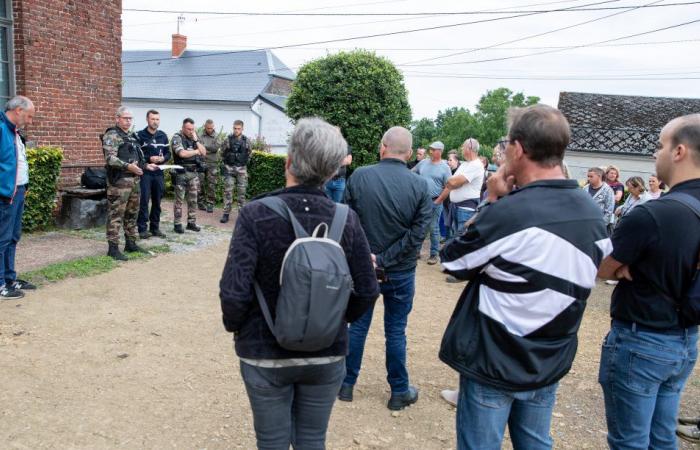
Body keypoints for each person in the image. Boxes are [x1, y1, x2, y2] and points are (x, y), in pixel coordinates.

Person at [440, 104, 609, 450]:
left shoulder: (509, 212)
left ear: (518, 149)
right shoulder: (592, 214)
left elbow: (452, 262)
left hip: (495, 357)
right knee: (535, 442)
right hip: (549, 356)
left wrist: (491, 200)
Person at [219, 117, 379, 450]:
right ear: (333, 171)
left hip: (264, 352)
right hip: (327, 352)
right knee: (312, 440)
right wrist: (331, 320)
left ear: (289, 161)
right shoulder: (345, 218)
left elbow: (234, 291)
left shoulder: (255, 214)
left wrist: (238, 328)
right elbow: (367, 289)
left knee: (272, 442)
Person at [597, 113, 700, 450]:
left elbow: (602, 267)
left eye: (660, 145)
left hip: (643, 340)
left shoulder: (653, 214)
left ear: (680, 151)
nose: (655, 154)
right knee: (662, 438)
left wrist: (623, 267)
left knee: (630, 442)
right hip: (686, 341)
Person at [339, 126, 432, 410]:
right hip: (400, 270)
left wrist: (368, 256)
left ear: (383, 147)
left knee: (357, 326)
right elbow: (419, 232)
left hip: (364, 267)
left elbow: (345, 220)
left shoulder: (360, 176)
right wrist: (386, 258)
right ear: (409, 153)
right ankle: (399, 391)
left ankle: (346, 384)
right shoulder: (420, 186)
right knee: (395, 330)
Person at [102, 107, 158, 260]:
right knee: (116, 215)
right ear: (117, 118)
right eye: (125, 118)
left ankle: (131, 243)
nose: (128, 121)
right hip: (119, 182)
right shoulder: (111, 135)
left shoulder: (132, 137)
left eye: (130, 118)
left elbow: (138, 158)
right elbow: (110, 159)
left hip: (134, 181)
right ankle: (113, 248)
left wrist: (146, 166)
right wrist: (128, 166)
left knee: (132, 213)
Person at [0, 96, 36, 299]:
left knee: (13, 237)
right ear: (18, 110)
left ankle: (9, 278)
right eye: (29, 116)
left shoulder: (15, 132)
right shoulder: (1, 129)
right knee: (2, 239)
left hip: (18, 191)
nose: (30, 121)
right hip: (5, 195)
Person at [435, 138, 484, 238]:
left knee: (463, 241)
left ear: (469, 148)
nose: (461, 150)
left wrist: (453, 182)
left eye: (463, 147)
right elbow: (451, 184)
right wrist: (454, 183)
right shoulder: (465, 164)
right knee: (456, 240)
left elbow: (452, 182)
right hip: (457, 208)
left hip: (466, 210)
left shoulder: (476, 165)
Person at [414, 141, 451, 265]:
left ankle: (434, 254)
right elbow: (411, 173)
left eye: (433, 149)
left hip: (435, 200)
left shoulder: (445, 167)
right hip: (421, 200)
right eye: (430, 149)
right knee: (420, 225)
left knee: (433, 227)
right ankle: (417, 251)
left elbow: (449, 187)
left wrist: (439, 200)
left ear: (440, 151)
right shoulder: (423, 163)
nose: (430, 151)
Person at [136, 109, 170, 239]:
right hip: (146, 173)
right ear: (147, 120)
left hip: (159, 173)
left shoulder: (163, 135)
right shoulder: (139, 135)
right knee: (144, 200)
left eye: (157, 119)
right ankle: (142, 229)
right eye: (153, 119)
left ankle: (155, 228)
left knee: (157, 201)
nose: (155, 122)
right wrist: (150, 158)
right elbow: (138, 155)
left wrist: (162, 159)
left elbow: (168, 153)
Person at [171, 118, 206, 234]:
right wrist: (196, 152)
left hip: (193, 173)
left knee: (193, 200)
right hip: (181, 172)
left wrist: (196, 140)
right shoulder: (177, 137)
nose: (191, 131)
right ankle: (177, 223)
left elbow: (204, 152)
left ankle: (191, 222)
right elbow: (182, 153)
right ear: (183, 128)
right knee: (179, 201)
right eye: (188, 129)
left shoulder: (195, 138)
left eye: (192, 129)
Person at [219, 120, 251, 224]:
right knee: (228, 191)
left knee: (242, 193)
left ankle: (242, 214)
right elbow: (222, 153)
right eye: (235, 128)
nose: (236, 130)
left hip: (241, 169)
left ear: (242, 129)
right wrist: (227, 163)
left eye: (238, 128)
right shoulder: (227, 140)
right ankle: (226, 214)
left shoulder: (247, 141)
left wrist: (243, 162)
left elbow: (249, 154)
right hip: (229, 169)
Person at [197, 119, 222, 213]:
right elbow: (197, 146)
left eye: (211, 128)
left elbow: (215, 148)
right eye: (208, 128)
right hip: (201, 162)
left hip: (212, 163)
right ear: (205, 126)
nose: (210, 130)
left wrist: (204, 148)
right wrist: (205, 149)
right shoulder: (199, 135)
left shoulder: (217, 136)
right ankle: (201, 202)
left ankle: (210, 203)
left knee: (212, 185)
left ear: (213, 127)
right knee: (200, 183)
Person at [583, 166, 615, 235]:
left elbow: (609, 211)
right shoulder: (585, 188)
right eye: (588, 176)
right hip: (585, 225)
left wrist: (601, 226)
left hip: (599, 227)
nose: (588, 178)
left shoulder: (608, 190)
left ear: (599, 176)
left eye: (591, 176)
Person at [325, 129, 352, 203]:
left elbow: (348, 161)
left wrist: (332, 160)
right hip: (327, 180)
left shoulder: (346, 147)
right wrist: (342, 159)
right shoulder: (325, 147)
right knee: (327, 205)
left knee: (339, 206)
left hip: (340, 181)